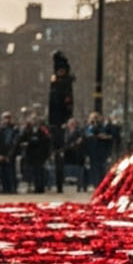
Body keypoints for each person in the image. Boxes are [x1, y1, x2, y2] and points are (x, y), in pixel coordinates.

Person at [48, 52, 74, 192]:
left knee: (60, 153)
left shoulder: (65, 84)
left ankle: (60, 183)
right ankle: (56, 183)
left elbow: (68, 103)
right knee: (56, 153)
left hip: (61, 121)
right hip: (53, 121)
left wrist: (66, 119)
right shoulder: (54, 83)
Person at [18, 115, 52, 193]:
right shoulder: (27, 130)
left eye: (35, 120)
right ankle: (31, 186)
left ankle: (40, 188)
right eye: (32, 120)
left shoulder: (42, 130)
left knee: (39, 172)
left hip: (39, 155)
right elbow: (21, 139)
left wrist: (46, 154)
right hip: (30, 155)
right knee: (30, 172)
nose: (34, 122)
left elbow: (45, 141)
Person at [82, 111, 112, 190]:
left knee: (101, 168)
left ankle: (101, 184)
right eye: (92, 118)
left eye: (95, 118)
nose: (94, 119)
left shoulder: (101, 127)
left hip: (100, 151)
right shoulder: (87, 128)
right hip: (91, 151)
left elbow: (104, 135)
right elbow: (85, 136)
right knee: (93, 168)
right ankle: (93, 183)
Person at [0, 111, 20, 193]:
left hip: (11, 155)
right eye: (5, 118)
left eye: (8, 118)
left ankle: (13, 188)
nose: (7, 120)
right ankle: (4, 188)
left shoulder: (14, 129)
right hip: (1, 154)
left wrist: (9, 156)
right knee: (2, 173)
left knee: (12, 173)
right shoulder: (0, 130)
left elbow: (15, 143)